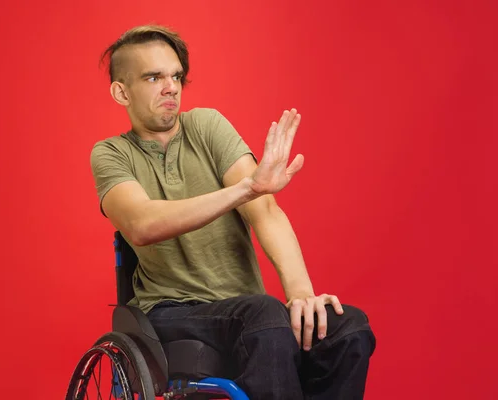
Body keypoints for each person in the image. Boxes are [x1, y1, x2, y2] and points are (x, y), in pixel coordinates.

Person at [91, 24, 376, 400]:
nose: (171, 87)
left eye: (176, 76)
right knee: (262, 315)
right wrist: (245, 188)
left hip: (250, 311)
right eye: (154, 77)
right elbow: (142, 225)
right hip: (170, 312)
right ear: (121, 91)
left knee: (349, 327)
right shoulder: (111, 154)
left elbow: (266, 213)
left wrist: (302, 296)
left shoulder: (208, 126)